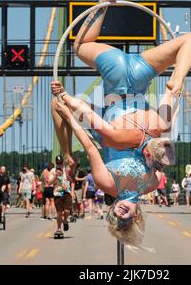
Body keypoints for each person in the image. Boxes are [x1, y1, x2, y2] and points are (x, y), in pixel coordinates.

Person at [51, 0, 191, 169]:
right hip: (115, 78)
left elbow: (171, 97)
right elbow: (85, 113)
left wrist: (177, 81)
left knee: (190, 39)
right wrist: (64, 96)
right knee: (58, 99)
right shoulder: (117, 141)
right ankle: (67, 154)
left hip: (140, 73)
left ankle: (177, 76)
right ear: (146, 156)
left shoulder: (163, 128)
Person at [54, 101, 174, 247]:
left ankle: (67, 154)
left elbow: (91, 148)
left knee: (57, 102)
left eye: (115, 219)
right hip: (133, 125)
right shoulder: (152, 184)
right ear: (135, 217)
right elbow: (161, 153)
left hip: (110, 125)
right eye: (126, 221)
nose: (120, 216)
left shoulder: (107, 183)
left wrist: (69, 116)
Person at [49, 166, 73, 238]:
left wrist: (67, 175)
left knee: (66, 211)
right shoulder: (53, 173)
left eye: (60, 169)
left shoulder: (66, 171)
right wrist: (55, 176)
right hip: (58, 194)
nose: (59, 171)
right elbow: (49, 183)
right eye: (58, 169)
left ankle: (65, 220)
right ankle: (59, 229)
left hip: (67, 193)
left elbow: (72, 180)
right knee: (59, 212)